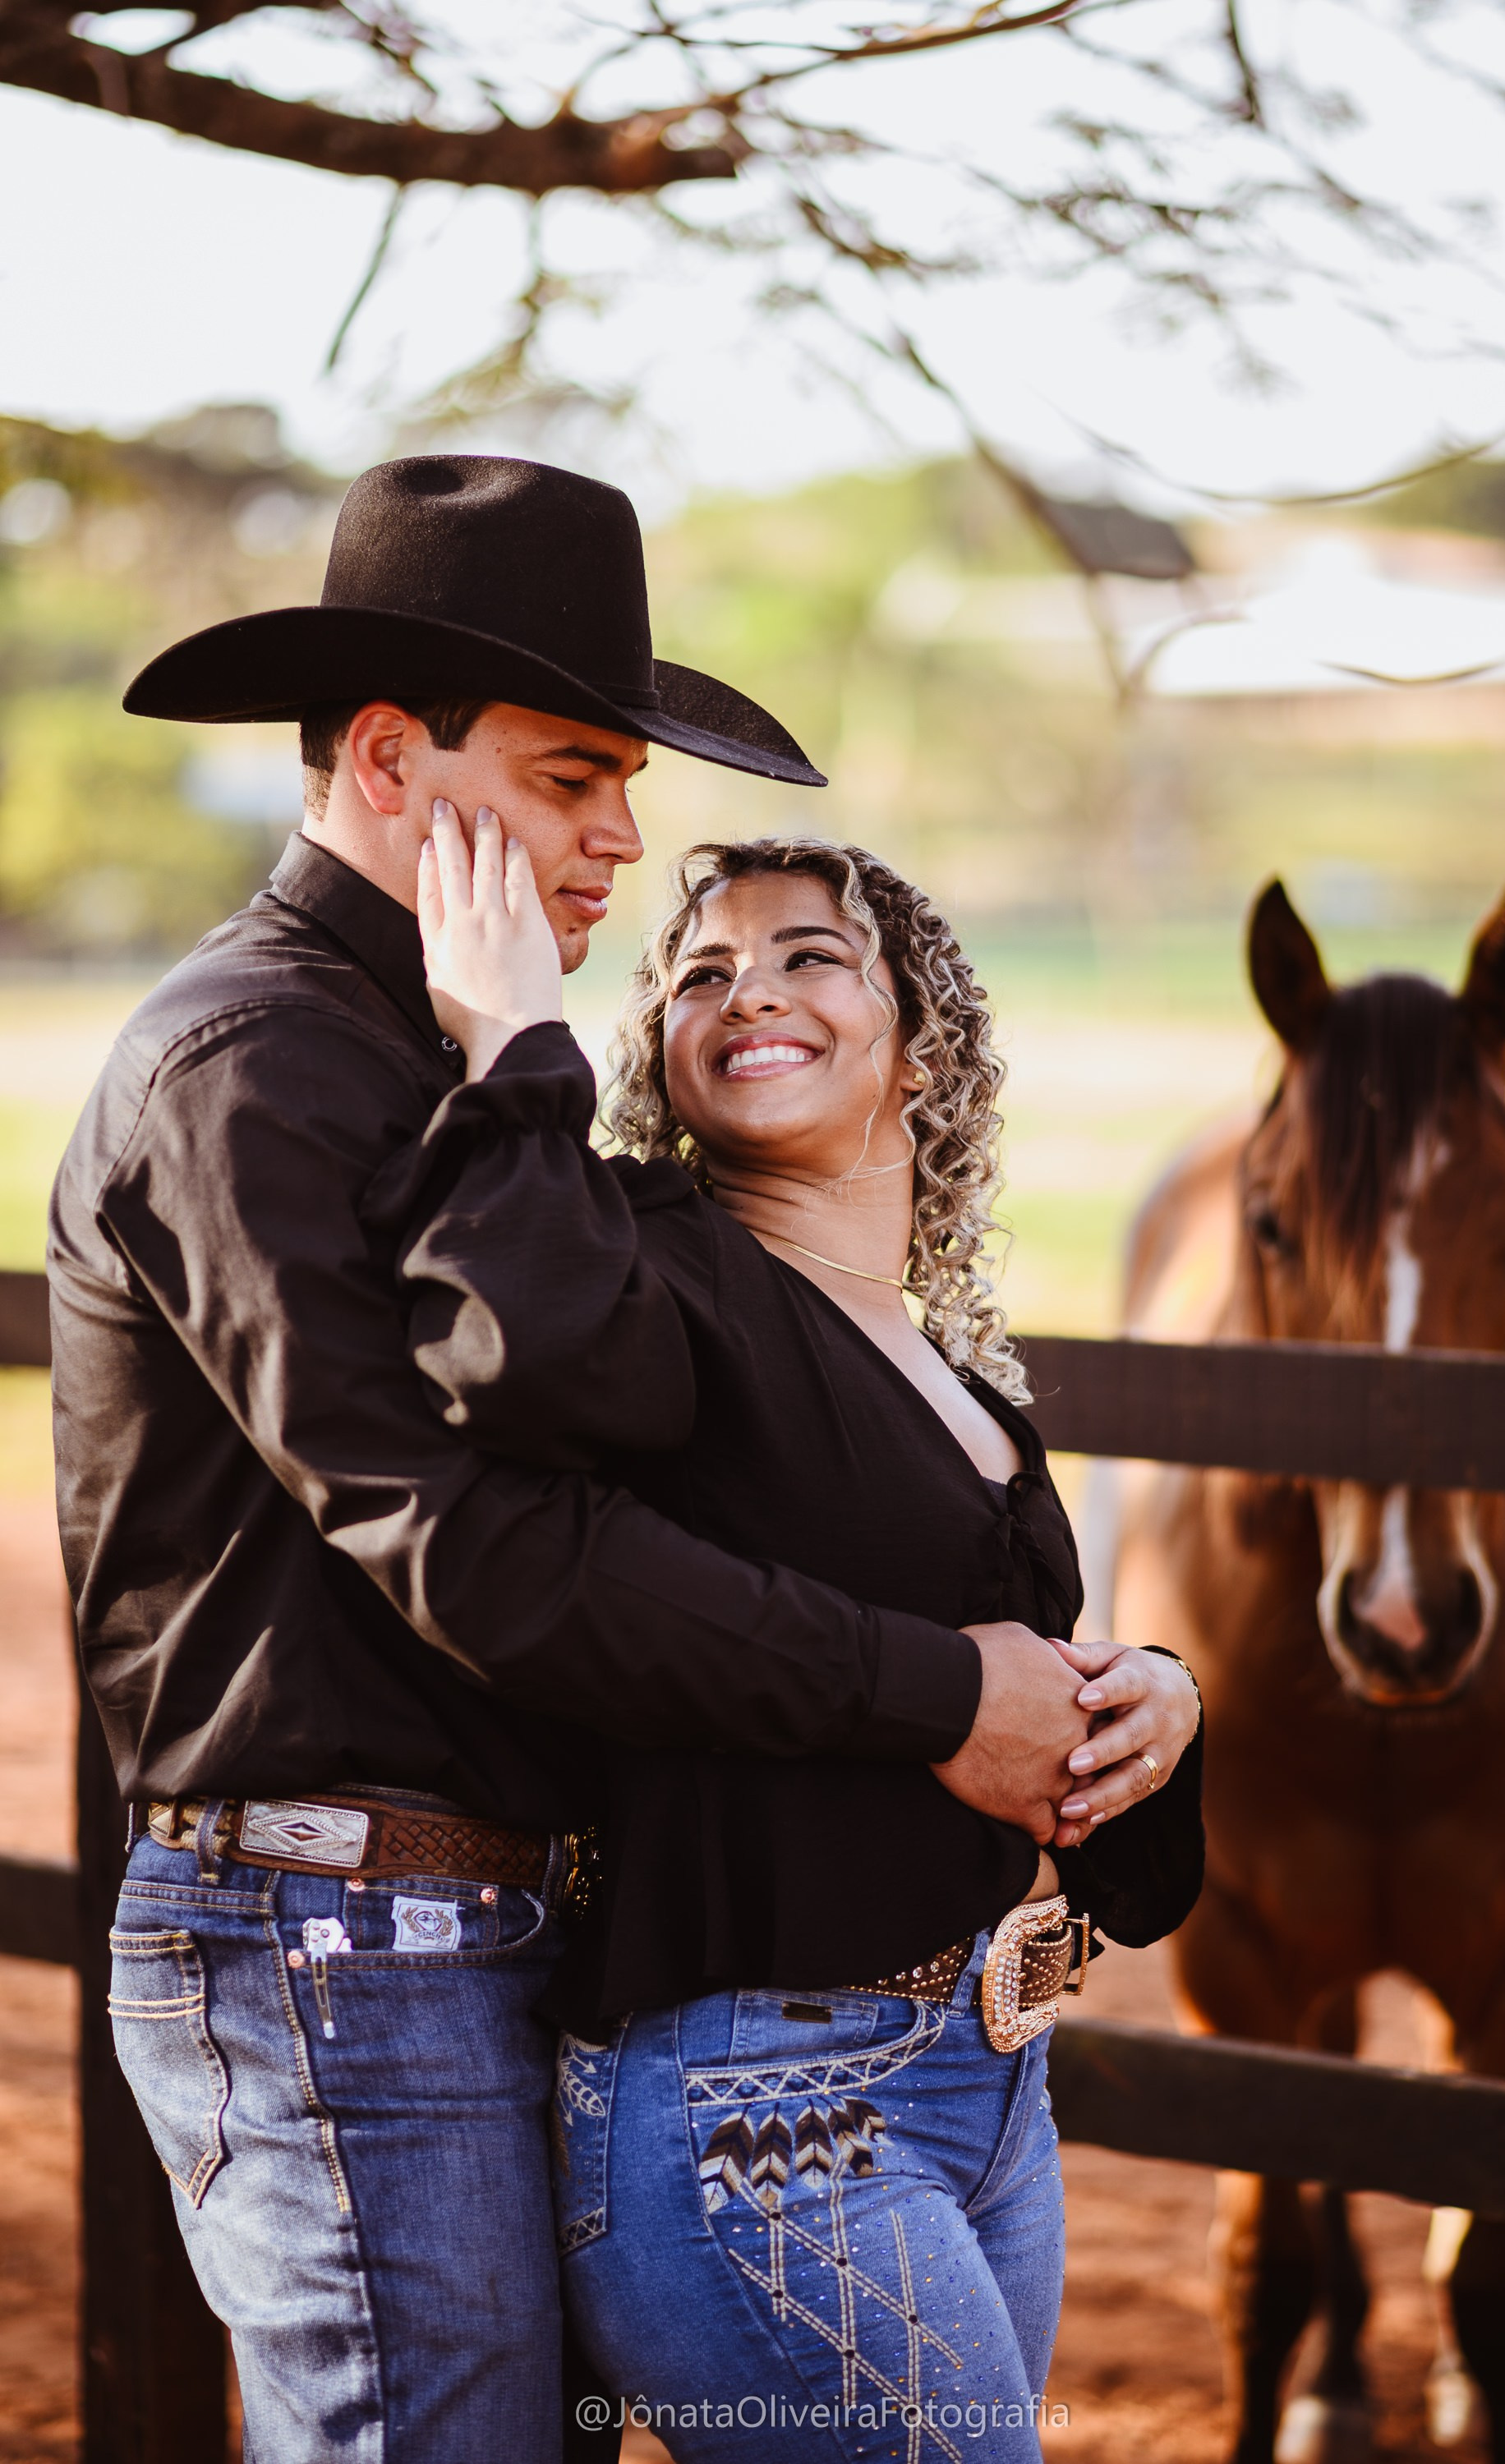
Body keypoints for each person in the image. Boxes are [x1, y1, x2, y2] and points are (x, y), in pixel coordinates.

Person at [48, 456, 1113, 2464]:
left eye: (622, 782)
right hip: (333, 1943)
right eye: (567, 777)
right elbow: (488, 1555)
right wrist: (934, 1694)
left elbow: (664, 1450)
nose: (623, 840)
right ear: (386, 755)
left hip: (511, 1940)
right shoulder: (252, 1068)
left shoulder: (452, 1053)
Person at [389, 816, 1204, 2461]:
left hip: (987, 2086)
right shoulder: (655, 1272)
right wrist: (510, 1042)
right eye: (698, 974)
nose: (744, 989)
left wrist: (1161, 1701)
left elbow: (1008, 1691)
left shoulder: (960, 1386)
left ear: (920, 1047)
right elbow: (513, 1359)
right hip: (757, 2119)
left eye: (807, 955)